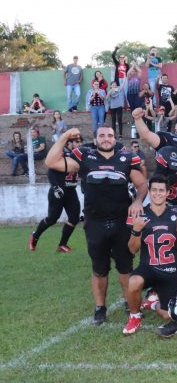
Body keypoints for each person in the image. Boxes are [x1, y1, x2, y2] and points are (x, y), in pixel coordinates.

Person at [45, 126, 147, 325]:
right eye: (102, 135)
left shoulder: (125, 157)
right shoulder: (84, 156)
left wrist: (137, 201)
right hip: (95, 221)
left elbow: (142, 184)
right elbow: (51, 161)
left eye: (110, 135)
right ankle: (100, 307)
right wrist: (65, 136)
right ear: (95, 139)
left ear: (114, 138)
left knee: (125, 267)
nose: (106, 139)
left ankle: (129, 302)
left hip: (121, 221)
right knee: (99, 268)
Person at [122, 175, 177, 334]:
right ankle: (135, 315)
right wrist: (136, 230)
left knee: (168, 315)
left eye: (161, 190)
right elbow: (132, 250)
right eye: (154, 190)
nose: (157, 193)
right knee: (133, 282)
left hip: (170, 271)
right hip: (148, 267)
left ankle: (152, 304)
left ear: (168, 192)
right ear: (149, 192)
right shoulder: (140, 214)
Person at [29, 136, 82, 253]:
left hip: (71, 191)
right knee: (52, 218)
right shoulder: (62, 154)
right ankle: (35, 235)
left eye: (80, 142)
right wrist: (56, 187)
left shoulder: (79, 156)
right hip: (58, 191)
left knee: (74, 218)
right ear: (69, 143)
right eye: (77, 142)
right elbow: (51, 171)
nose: (79, 144)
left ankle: (62, 244)